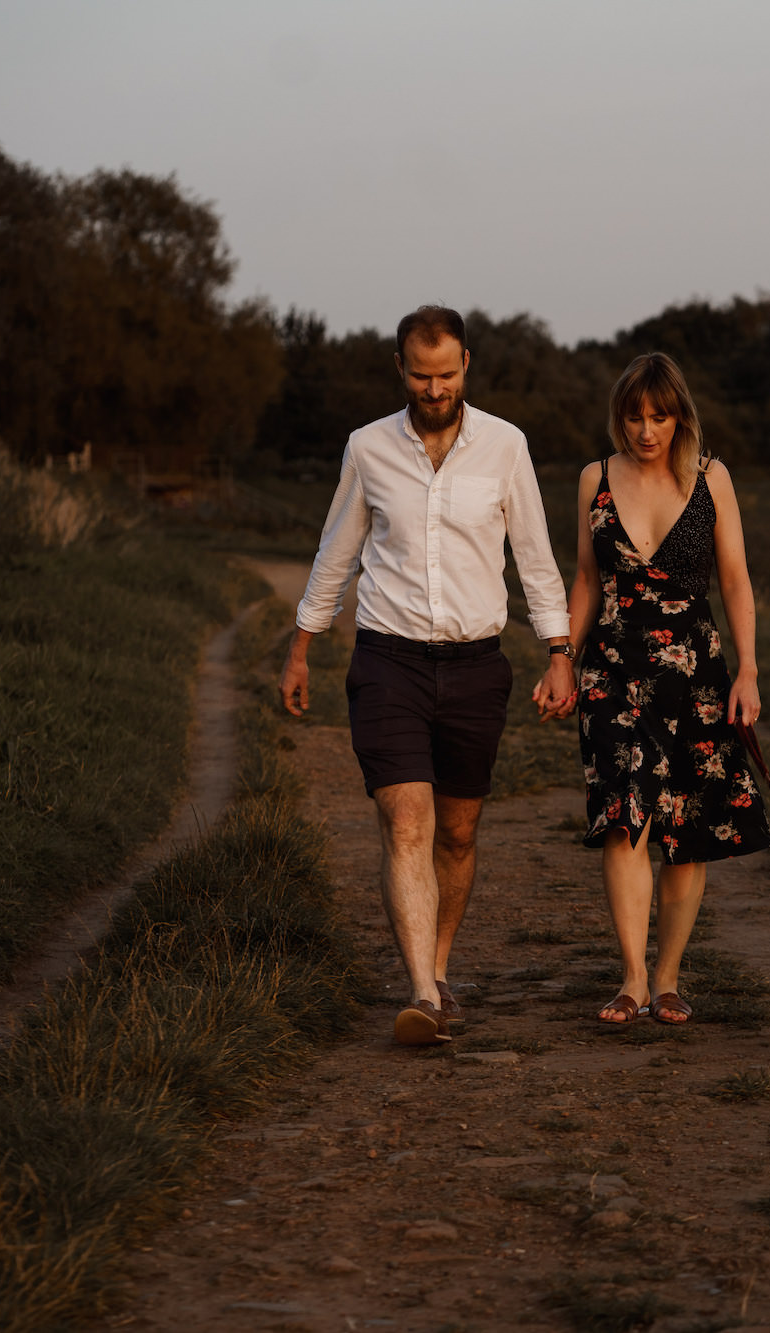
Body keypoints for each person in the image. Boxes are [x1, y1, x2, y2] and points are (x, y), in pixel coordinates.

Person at [280, 305, 575, 1046]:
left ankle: (439, 969)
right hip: (388, 660)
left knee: (459, 831)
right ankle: (419, 991)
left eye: (445, 374)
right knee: (405, 820)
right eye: (420, 373)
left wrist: (559, 649)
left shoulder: (506, 447)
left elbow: (535, 557)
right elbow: (336, 551)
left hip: (477, 665)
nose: (434, 387)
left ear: (466, 364)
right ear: (400, 367)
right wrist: (300, 645)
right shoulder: (367, 448)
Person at [561, 352, 770, 1025]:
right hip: (613, 668)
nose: (645, 430)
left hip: (697, 674)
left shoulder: (713, 478)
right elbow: (588, 581)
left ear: (679, 414)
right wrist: (561, 659)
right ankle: (629, 979)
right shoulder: (595, 477)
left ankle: (669, 978)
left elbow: (735, 579)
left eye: (658, 416)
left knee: (686, 824)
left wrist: (749, 670)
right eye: (633, 415)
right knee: (626, 820)